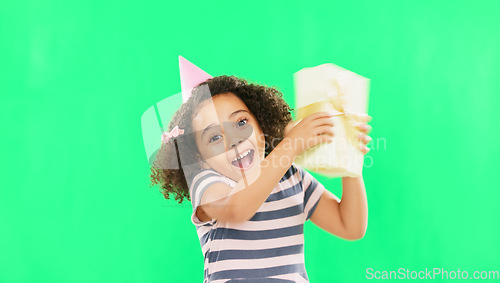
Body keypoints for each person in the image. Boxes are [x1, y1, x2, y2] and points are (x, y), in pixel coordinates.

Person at [150, 75, 372, 282]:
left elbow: (350, 225)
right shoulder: (206, 184)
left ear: (261, 125)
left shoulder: (291, 176)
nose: (235, 140)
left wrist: (349, 160)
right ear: (200, 160)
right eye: (215, 137)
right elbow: (237, 208)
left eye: (241, 123)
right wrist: (290, 145)